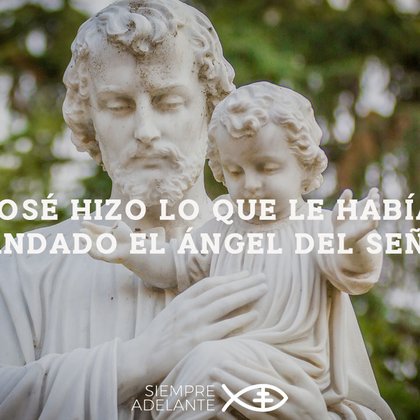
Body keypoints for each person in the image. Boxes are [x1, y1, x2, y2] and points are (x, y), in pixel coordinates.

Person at [0, 1, 276, 419]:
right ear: (89, 117)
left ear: (210, 108)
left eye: (168, 102)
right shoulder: (26, 268)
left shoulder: (281, 253)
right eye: (119, 106)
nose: (146, 131)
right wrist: (135, 361)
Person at [84, 82, 395, 419]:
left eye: (267, 168)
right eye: (235, 172)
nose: (250, 184)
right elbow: (175, 266)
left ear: (304, 165)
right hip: (230, 368)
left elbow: (356, 274)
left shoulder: (318, 228)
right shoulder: (223, 228)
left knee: (205, 366)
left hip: (291, 375)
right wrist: (131, 251)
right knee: (186, 385)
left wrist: (352, 242)